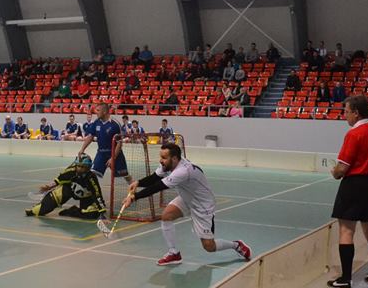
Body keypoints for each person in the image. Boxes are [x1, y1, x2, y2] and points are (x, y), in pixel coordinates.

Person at [121, 142, 251, 266]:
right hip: (186, 198)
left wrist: (134, 197)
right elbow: (155, 177)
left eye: (164, 158)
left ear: (174, 158)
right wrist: (138, 183)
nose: (161, 160)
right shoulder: (171, 164)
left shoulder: (182, 171)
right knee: (166, 216)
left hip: (202, 206)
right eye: (161, 157)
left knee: (209, 246)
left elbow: (158, 187)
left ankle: (236, 245)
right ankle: (174, 253)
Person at [327, 95, 368, 288]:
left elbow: (342, 168)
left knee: (346, 230)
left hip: (354, 185)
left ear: (356, 113)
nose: (345, 115)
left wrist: (335, 172)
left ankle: (345, 278)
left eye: (346, 111)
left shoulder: (354, 134)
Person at [26, 154, 106, 220]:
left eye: (83, 167)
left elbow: (97, 193)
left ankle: (71, 211)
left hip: (86, 197)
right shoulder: (71, 171)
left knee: (92, 214)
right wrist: (48, 186)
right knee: (47, 204)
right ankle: (35, 209)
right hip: (69, 190)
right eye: (78, 166)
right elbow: (58, 180)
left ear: (88, 167)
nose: (79, 169)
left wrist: (102, 212)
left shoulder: (91, 177)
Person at [78, 102, 133, 186]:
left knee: (125, 175)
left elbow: (119, 144)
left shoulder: (115, 124)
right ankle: (93, 192)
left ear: (104, 112)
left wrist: (113, 158)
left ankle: (133, 186)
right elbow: (90, 136)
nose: (96, 112)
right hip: (101, 154)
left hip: (115, 154)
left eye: (98, 110)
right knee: (92, 174)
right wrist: (82, 149)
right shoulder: (96, 122)